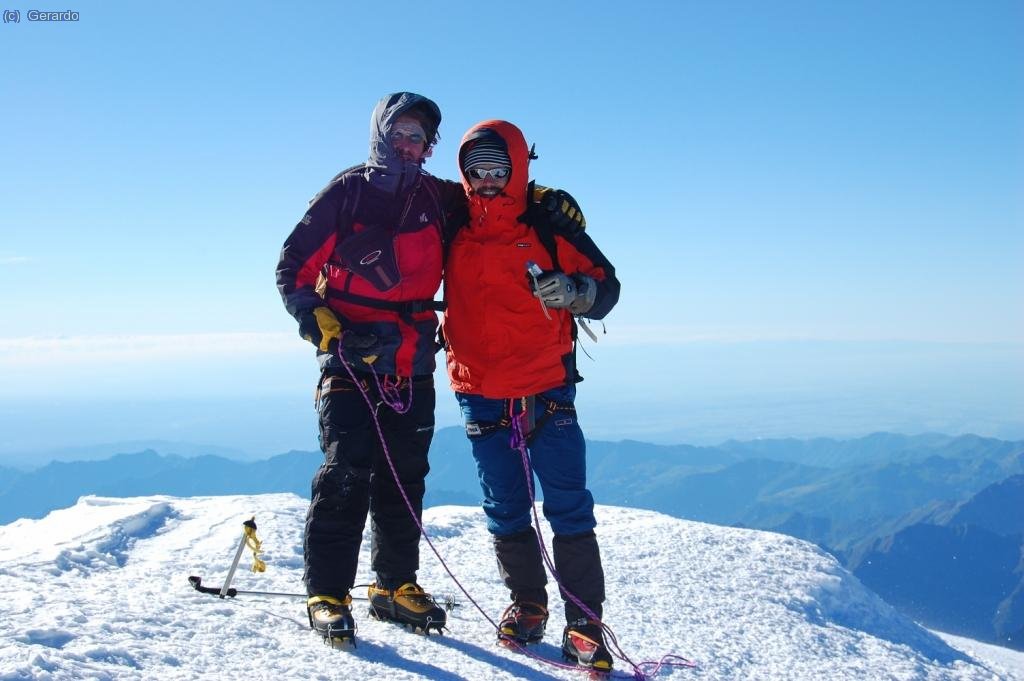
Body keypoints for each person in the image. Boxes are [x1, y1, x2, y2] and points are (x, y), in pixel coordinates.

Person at [275, 94, 584, 646]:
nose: (408, 144)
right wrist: (312, 315)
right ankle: (327, 592)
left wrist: (544, 198)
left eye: (419, 137)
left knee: (404, 474)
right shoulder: (346, 194)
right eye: (399, 132)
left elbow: (493, 197)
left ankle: (394, 585)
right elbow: (293, 263)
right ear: (379, 134)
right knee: (348, 468)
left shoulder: (435, 198)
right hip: (349, 354)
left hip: (412, 361)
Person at [442, 120, 620, 671]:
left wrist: (575, 291)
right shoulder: (450, 223)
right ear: (465, 173)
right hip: (479, 389)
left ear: (519, 166)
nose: (490, 180)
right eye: (479, 170)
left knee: (568, 506)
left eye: (500, 169)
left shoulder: (546, 220)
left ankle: (584, 624)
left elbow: (606, 287)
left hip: (546, 387)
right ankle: (528, 605)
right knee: (505, 508)